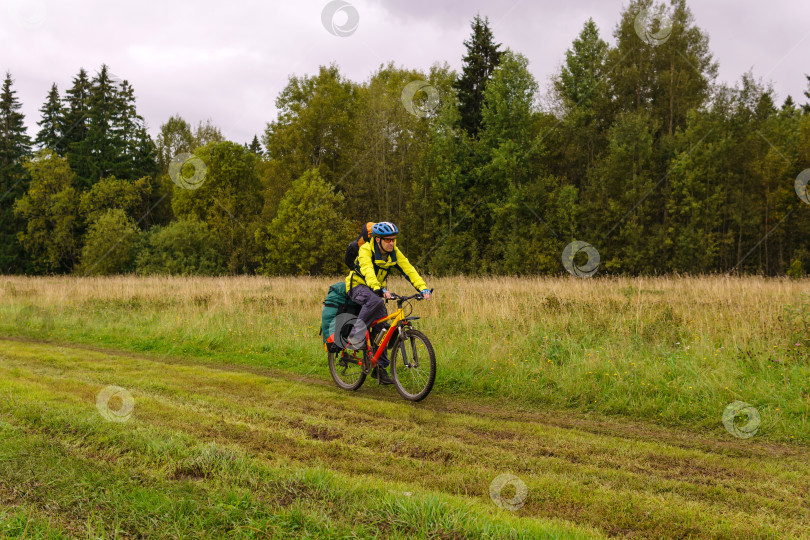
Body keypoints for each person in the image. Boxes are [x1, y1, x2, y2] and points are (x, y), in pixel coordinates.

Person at [344, 221, 431, 385]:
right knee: (376, 301)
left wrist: (423, 288)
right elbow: (368, 272)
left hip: (376, 290)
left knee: (383, 327)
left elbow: (409, 269)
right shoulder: (365, 250)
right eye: (388, 240)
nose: (391, 243)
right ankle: (355, 336)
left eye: (393, 239)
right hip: (357, 287)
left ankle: (379, 369)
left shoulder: (394, 252)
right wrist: (379, 289)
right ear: (378, 240)